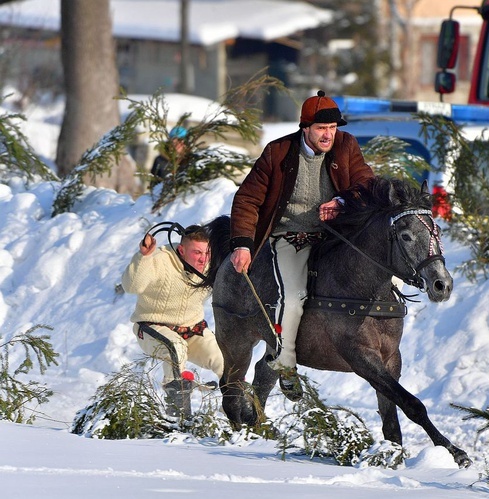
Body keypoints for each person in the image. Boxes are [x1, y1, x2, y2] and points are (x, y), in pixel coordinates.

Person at [229, 90, 375, 401]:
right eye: (322, 129)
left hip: (334, 238)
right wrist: (242, 244)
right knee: (293, 298)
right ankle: (286, 364)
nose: (329, 135)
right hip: (290, 237)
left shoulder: (347, 146)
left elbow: (366, 185)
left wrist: (341, 201)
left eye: (333, 128)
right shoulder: (278, 152)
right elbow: (247, 200)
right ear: (305, 127)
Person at [121, 224, 224, 417]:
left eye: (206, 252)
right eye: (196, 252)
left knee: (227, 360)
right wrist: (143, 257)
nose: (203, 258)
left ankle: (239, 415)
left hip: (193, 331)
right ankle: (178, 414)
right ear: (181, 250)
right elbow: (131, 286)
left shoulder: (210, 266)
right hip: (152, 329)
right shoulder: (160, 259)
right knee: (175, 348)